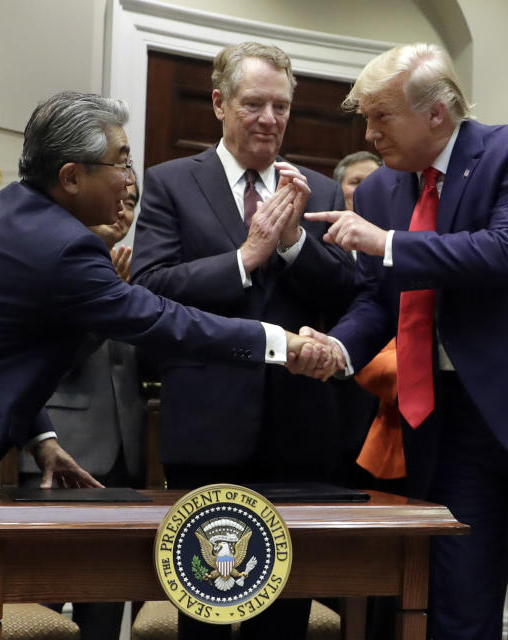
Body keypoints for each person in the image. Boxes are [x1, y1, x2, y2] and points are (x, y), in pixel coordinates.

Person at [0, 91, 319, 640]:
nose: (131, 179)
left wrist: (41, 439)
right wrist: (281, 343)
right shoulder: (58, 245)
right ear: (71, 177)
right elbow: (158, 319)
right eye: (122, 161)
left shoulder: (15, 212)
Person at [290, 43, 508, 640]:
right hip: (449, 422)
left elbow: (506, 250)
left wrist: (387, 244)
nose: (369, 132)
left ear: (437, 114)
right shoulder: (378, 193)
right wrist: (338, 349)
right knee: (455, 606)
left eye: (382, 116)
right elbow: (375, 300)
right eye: (365, 116)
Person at [130, 41, 355, 640]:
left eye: (281, 106)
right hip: (206, 425)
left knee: (284, 610)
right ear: (218, 104)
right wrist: (246, 257)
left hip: (300, 429)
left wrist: (291, 246)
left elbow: (343, 295)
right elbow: (150, 290)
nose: (269, 119)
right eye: (254, 103)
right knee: (205, 600)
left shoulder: (318, 191)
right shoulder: (171, 183)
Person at [18, 170, 143, 640]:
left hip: (125, 452)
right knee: (40, 601)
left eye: (131, 202)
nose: (123, 210)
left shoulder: (136, 268)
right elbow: (53, 362)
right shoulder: (57, 260)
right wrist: (109, 303)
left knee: (107, 599)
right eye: (118, 198)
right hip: (62, 450)